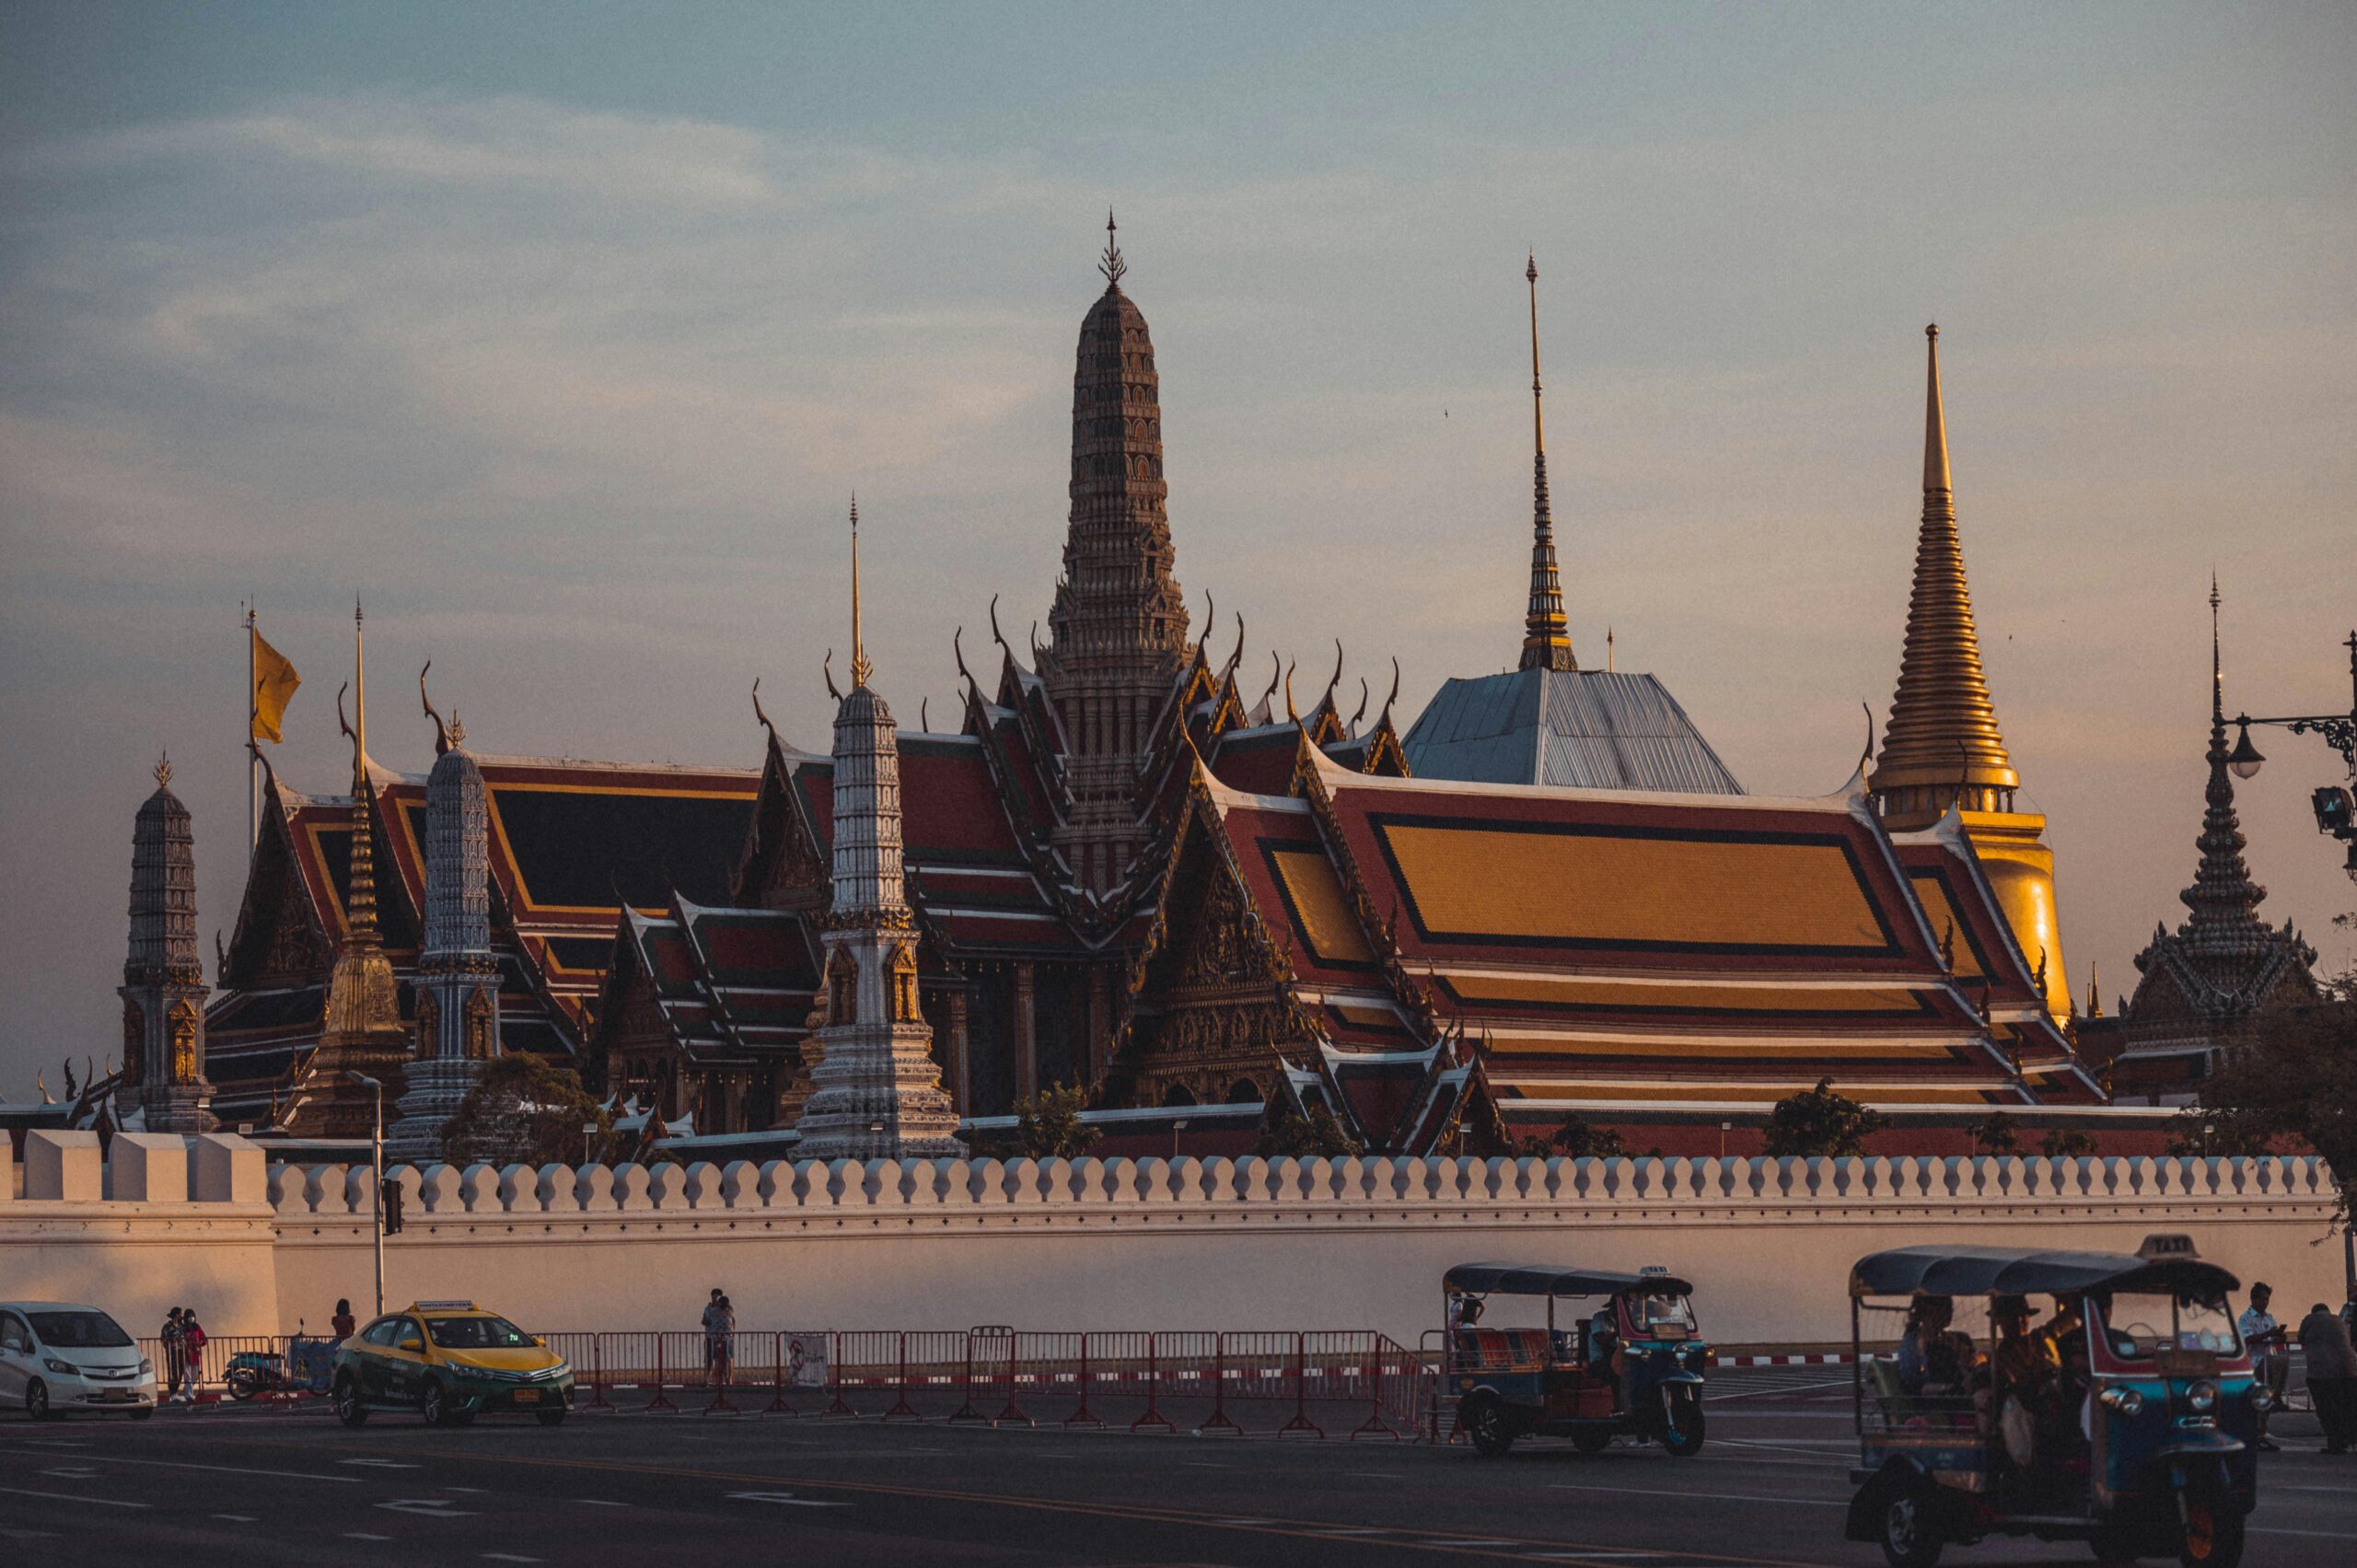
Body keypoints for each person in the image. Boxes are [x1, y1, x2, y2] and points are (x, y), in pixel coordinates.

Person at [2296, 1300, 2356, 1455]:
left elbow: (2300, 1338)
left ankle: (2335, 1443)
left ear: (2313, 1311)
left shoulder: (2309, 1319)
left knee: (2326, 1408)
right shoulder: (2338, 1320)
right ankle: (2348, 1438)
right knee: (2346, 1406)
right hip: (2348, 1369)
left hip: (2322, 1372)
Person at [2238, 1283, 2288, 1452]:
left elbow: (2273, 1338)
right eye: (2263, 1299)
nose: (2266, 1303)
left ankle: (2261, 1431)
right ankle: (2256, 1434)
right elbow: (2247, 1339)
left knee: (2265, 1399)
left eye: (2268, 1299)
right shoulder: (2245, 1318)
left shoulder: (2269, 1317)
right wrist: (2268, 1335)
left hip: (2269, 1360)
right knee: (2258, 1400)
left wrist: (2279, 1336)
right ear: (2254, 1299)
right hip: (2256, 1362)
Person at [702, 1288, 733, 1388]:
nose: (714, 1299)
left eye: (717, 1297)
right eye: (713, 1297)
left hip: (722, 1338)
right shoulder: (709, 1309)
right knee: (710, 1358)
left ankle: (727, 1378)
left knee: (726, 1359)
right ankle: (710, 1379)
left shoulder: (725, 1310)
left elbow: (730, 1321)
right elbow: (704, 1321)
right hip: (711, 1337)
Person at [179, 1308, 207, 1401]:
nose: (191, 1318)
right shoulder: (183, 1328)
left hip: (195, 1353)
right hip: (186, 1354)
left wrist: (200, 1343)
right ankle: (189, 1396)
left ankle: (186, 1390)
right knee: (188, 1376)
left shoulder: (197, 1327)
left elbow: (204, 1339)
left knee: (195, 1376)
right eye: (189, 1316)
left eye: (192, 1316)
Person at [160, 1307, 187, 1403]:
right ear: (176, 1315)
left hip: (181, 1351)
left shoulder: (182, 1326)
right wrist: (169, 1346)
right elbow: (163, 1339)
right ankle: (172, 1393)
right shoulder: (167, 1326)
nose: (182, 1316)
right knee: (172, 1372)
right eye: (181, 1314)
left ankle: (175, 1392)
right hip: (172, 1352)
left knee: (180, 1371)